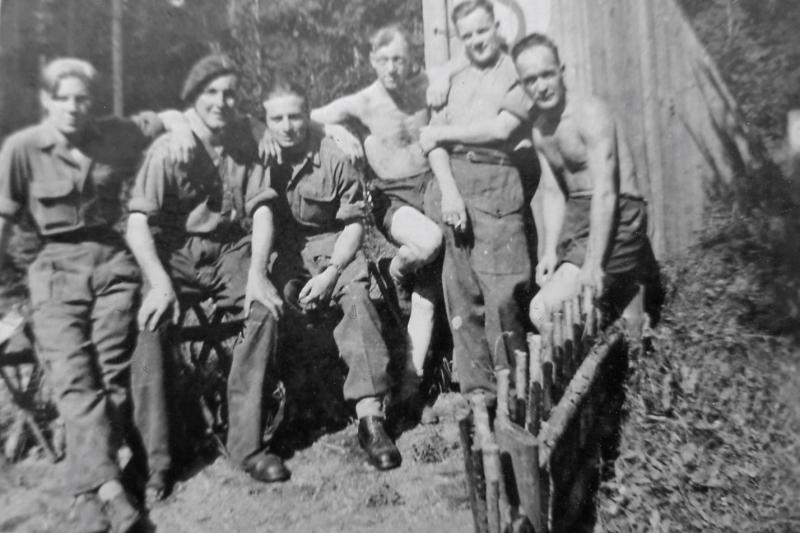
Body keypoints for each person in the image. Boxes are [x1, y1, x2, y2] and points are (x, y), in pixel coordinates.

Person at [0, 57, 194, 532]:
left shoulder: (115, 133)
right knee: (72, 375)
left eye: (82, 98)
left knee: (109, 374)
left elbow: (169, 117)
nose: (72, 107)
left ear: (93, 102)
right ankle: (106, 488)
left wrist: (179, 130)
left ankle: (88, 495)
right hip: (54, 271)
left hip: (112, 268)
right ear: (46, 101)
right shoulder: (22, 149)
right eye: (62, 98)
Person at [263, 25, 455, 422]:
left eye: (399, 58)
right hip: (394, 197)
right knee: (429, 246)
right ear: (371, 61)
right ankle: (396, 270)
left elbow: (467, 59)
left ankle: (412, 385)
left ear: (412, 57)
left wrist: (448, 78)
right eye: (383, 60)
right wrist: (331, 128)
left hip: (431, 188)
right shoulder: (363, 100)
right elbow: (301, 117)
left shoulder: (426, 84)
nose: (392, 68)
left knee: (432, 286)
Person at [125, 54, 290, 498]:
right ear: (193, 97)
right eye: (211, 93)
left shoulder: (247, 139)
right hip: (176, 253)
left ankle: (247, 444)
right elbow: (138, 222)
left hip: (230, 249)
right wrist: (158, 283)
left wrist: (257, 273)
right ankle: (157, 459)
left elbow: (261, 210)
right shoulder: (170, 147)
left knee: (265, 308)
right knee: (150, 323)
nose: (221, 101)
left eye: (230, 92)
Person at [257, 76, 402, 471]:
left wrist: (333, 272)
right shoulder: (258, 155)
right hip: (283, 252)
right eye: (277, 119)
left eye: (296, 116)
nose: (287, 126)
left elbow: (354, 225)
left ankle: (371, 418)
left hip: (333, 246)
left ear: (309, 116)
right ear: (264, 121)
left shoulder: (332, 156)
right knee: (273, 306)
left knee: (356, 300)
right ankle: (290, 407)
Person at [422, 0, 535, 401]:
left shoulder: (518, 72)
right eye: (467, 35)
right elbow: (430, 139)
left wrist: (446, 134)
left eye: (481, 31)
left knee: (503, 295)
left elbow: (503, 131)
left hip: (498, 183)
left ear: (497, 27)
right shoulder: (451, 80)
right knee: (463, 294)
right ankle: (479, 397)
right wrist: (449, 190)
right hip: (453, 183)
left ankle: (515, 395)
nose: (476, 41)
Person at [510, 33, 650, 330]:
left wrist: (593, 264)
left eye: (547, 74)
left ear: (562, 70)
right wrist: (548, 251)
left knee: (544, 310)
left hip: (618, 214)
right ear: (522, 85)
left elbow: (606, 192)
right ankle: (625, 302)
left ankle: (621, 306)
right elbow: (553, 193)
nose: (541, 86)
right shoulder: (540, 129)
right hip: (579, 216)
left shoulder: (589, 113)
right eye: (531, 80)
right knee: (566, 301)